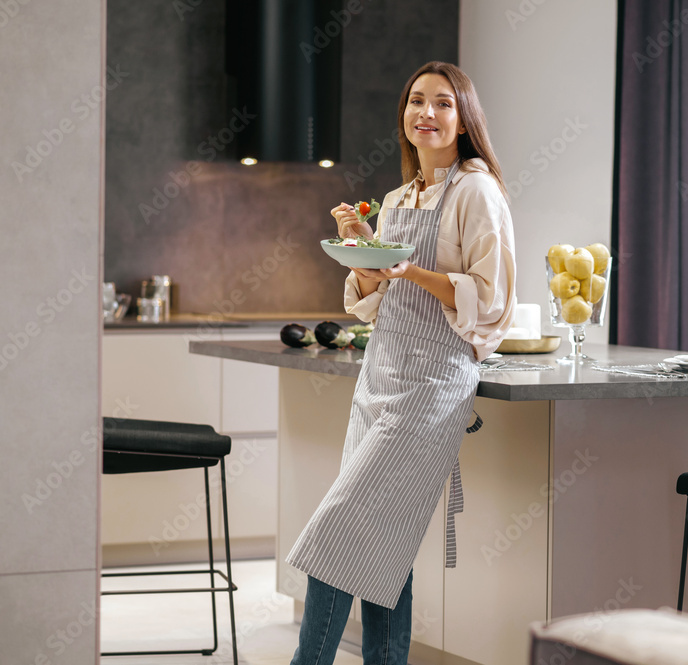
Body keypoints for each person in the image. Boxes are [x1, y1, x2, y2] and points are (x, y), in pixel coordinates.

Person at [285, 61, 516, 664]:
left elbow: (490, 299)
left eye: (443, 103)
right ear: (404, 116)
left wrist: (408, 268)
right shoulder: (395, 199)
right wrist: (364, 248)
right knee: (382, 547)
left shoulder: (477, 190)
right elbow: (374, 300)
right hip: (379, 381)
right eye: (417, 102)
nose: (427, 114)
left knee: (338, 536)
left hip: (433, 389)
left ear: (464, 118)